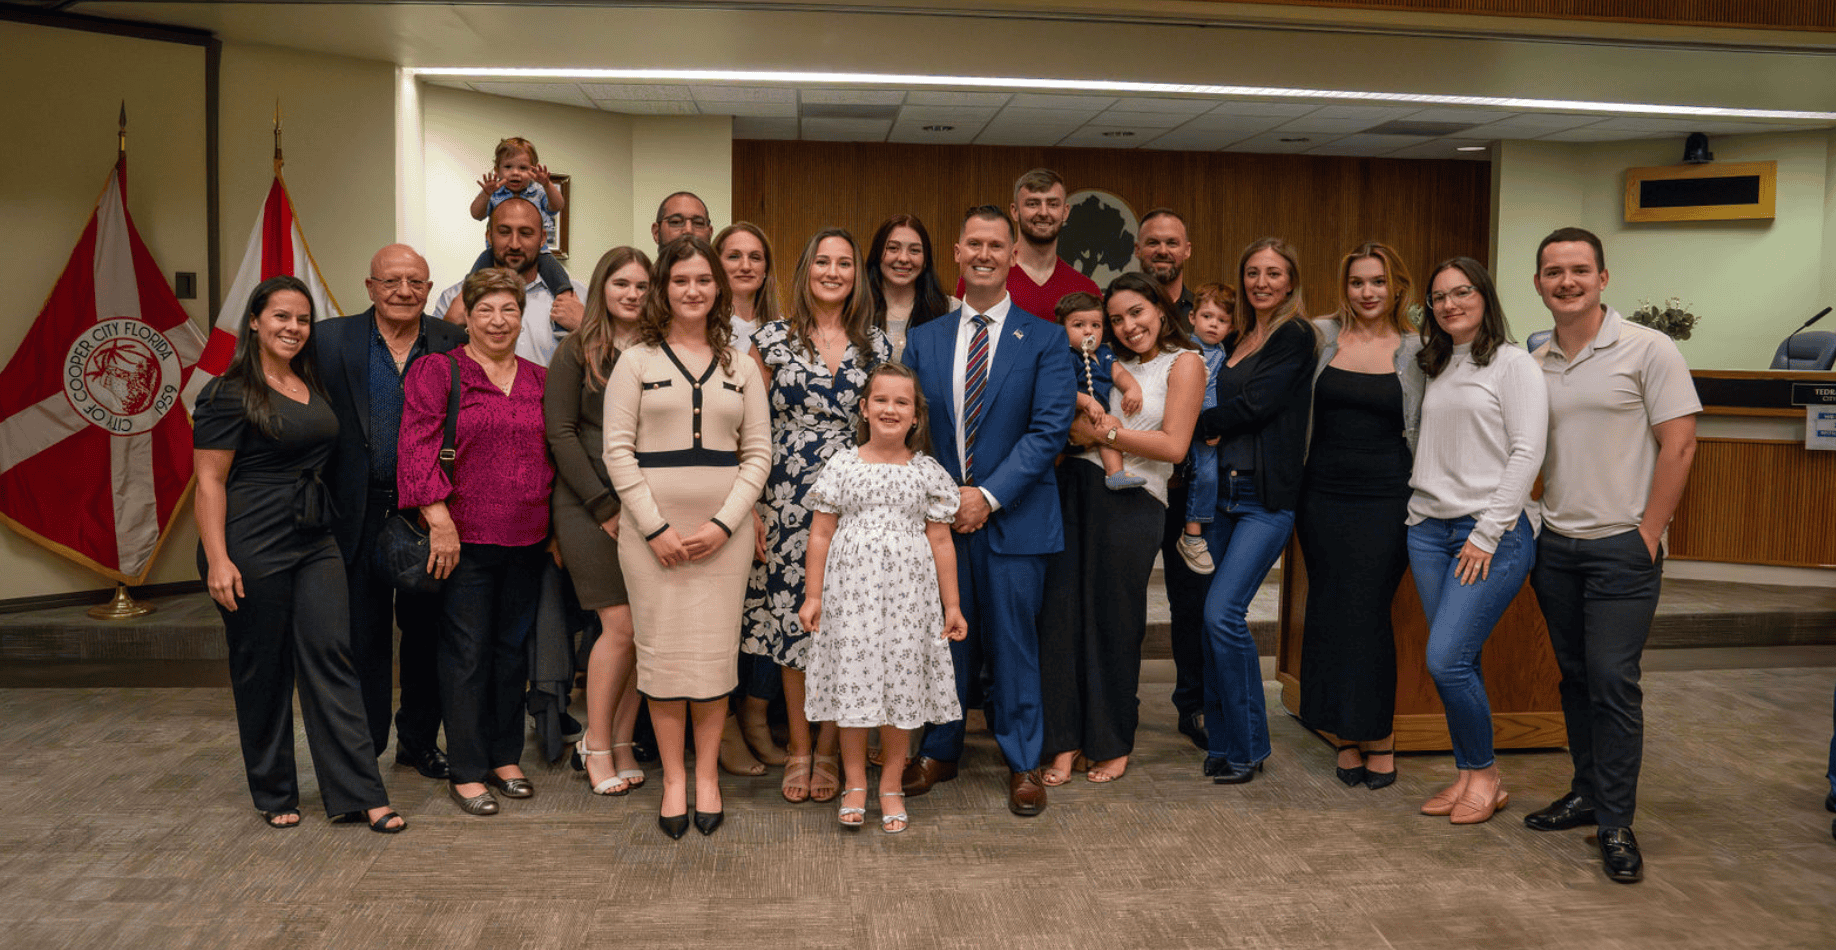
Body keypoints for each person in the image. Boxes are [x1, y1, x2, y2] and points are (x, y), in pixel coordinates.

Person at [193, 275, 404, 833]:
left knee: (334, 656)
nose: (293, 328)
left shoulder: (307, 382)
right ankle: (274, 789)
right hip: (250, 539)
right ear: (256, 322)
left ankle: (361, 792)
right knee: (263, 669)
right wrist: (218, 558)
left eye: (303, 319)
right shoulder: (226, 391)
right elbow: (209, 483)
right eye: (282, 317)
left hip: (314, 539)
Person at [1523, 227, 1700, 884]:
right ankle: (1587, 791)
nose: (1565, 281)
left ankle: (1617, 820)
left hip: (1624, 549)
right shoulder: (1535, 359)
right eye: (1552, 271)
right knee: (1573, 677)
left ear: (1603, 277)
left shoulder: (1649, 349)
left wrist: (1649, 532)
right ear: (1538, 282)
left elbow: (1680, 446)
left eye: (1578, 269)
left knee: (1612, 680)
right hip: (1558, 547)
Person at [901, 206, 1077, 817]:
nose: (984, 253)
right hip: (940, 523)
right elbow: (914, 429)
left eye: (995, 245)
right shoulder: (923, 339)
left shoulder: (1047, 339)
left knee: (1013, 646)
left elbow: (1049, 430)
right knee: (945, 640)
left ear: (1010, 257)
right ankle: (941, 749)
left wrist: (987, 496)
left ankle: (1022, 761)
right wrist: (946, 500)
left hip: (1015, 520)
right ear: (956, 251)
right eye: (973, 242)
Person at [603, 236, 771, 839]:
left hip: (721, 542)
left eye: (703, 280)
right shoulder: (636, 361)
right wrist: (655, 528)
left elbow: (758, 455)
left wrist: (725, 524)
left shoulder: (740, 364)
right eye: (680, 281)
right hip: (651, 541)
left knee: (712, 659)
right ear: (663, 290)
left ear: (717, 289)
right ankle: (674, 777)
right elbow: (617, 451)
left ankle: (707, 776)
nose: (693, 290)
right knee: (665, 659)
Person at [743, 227, 891, 804]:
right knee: (792, 625)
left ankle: (831, 750)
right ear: (805, 270)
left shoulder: (876, 345)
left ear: (857, 275)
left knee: (845, 625)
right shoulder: (770, 339)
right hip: (785, 500)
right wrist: (752, 502)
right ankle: (801, 748)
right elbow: (748, 429)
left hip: (857, 499)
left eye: (845, 264)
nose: (833, 272)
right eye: (822, 261)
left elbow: (890, 420)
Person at [400, 268, 554, 817]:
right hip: (460, 541)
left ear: (522, 315)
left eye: (508, 310)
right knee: (465, 653)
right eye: (485, 309)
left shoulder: (540, 378)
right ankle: (466, 768)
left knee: (512, 652)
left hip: (528, 536)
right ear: (466, 313)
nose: (497, 320)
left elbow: (555, 454)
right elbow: (415, 447)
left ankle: (504, 755)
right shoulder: (439, 372)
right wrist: (438, 517)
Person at [1039, 272, 1203, 786]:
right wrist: (1087, 429)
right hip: (1073, 491)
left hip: (1135, 501)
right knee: (1061, 618)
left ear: (1160, 309)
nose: (1128, 326)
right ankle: (1064, 741)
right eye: (1116, 319)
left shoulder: (1186, 363)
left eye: (1137, 312)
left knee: (1115, 619)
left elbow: (1174, 448)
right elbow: (1065, 428)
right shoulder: (1097, 363)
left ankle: (1111, 738)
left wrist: (1106, 431)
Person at [313, 244, 465, 783]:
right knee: (362, 636)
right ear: (370, 286)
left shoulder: (452, 342)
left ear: (429, 288)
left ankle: (419, 743)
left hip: (430, 513)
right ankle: (366, 746)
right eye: (392, 281)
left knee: (426, 635)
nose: (405, 291)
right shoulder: (329, 339)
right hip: (355, 511)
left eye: (417, 282)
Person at [798, 364, 969, 833]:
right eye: (881, 400)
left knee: (901, 689)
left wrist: (951, 606)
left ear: (915, 416)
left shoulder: (928, 472)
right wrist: (813, 597)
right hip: (851, 599)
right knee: (855, 687)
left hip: (909, 602)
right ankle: (855, 782)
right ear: (864, 408)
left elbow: (941, 542)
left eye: (902, 402)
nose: (890, 409)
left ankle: (890, 783)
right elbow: (820, 534)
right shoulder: (842, 465)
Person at [1406, 257, 1546, 822]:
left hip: (1490, 533)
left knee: (1445, 658)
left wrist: (1487, 533)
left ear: (1485, 296)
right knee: (1458, 659)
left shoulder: (1514, 365)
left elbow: (1526, 451)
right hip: (1428, 530)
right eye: (1439, 297)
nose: (1449, 304)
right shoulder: (1436, 363)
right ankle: (1469, 775)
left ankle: (1484, 773)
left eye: (1461, 292)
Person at [1294, 243, 1423, 791]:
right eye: (1357, 282)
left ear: (1396, 287)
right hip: (1321, 495)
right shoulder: (1320, 338)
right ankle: (1346, 734)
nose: (1367, 292)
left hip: (1388, 497)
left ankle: (1380, 734)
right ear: (1344, 287)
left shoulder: (1420, 349)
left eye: (1377, 282)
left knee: (1368, 612)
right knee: (1329, 608)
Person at [1193, 237, 1317, 786]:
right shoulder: (1241, 335)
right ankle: (1222, 742)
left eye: (1273, 273)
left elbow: (1258, 403)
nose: (1261, 282)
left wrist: (1191, 427)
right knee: (1207, 623)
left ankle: (1250, 743)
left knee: (1224, 614)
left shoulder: (1295, 335)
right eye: (1252, 273)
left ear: (1291, 281)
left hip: (1264, 499)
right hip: (1219, 497)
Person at [545, 246, 653, 797]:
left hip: (648, 506)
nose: (631, 294)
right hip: (589, 504)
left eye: (640, 285)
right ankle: (596, 740)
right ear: (601, 291)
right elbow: (560, 433)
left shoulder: (661, 352)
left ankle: (623, 741)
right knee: (621, 627)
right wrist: (603, 506)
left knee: (645, 632)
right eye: (620, 284)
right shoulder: (576, 352)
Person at [435, 197, 587, 365]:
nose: (515, 244)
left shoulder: (578, 297)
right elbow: (434, 370)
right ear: (489, 236)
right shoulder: (453, 299)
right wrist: (450, 327)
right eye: (504, 232)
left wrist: (585, 327)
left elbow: (607, 367)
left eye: (525, 233)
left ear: (542, 238)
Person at [952, 169, 1099, 320]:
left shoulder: (1086, 289)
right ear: (1015, 211)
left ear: (1065, 212)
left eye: (1053, 204)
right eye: (1032, 204)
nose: (1043, 212)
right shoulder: (980, 277)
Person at [466, 136, 575, 307]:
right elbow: (476, 213)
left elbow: (557, 205)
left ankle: (565, 305)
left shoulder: (538, 191)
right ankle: (468, 306)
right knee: (473, 278)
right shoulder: (495, 193)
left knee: (558, 276)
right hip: (495, 252)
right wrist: (485, 194)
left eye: (523, 168)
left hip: (539, 253)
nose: (515, 173)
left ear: (533, 170)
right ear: (497, 170)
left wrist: (547, 185)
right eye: (508, 167)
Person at [1175, 283, 1237, 575]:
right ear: (1192, 318)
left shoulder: (1221, 351)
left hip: (1212, 426)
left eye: (1222, 320)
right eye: (1207, 317)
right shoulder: (1187, 348)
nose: (1214, 324)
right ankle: (1192, 534)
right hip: (1194, 425)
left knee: (1210, 473)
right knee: (1207, 473)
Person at [1057, 292, 1147, 490]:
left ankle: (1115, 472)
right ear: (1062, 329)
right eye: (1079, 325)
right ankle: (1114, 472)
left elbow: (1119, 373)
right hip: (1069, 415)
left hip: (1094, 418)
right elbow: (1060, 388)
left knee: (1111, 427)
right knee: (1112, 424)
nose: (1088, 331)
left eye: (1095, 325)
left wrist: (1132, 388)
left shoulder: (1104, 352)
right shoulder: (1064, 355)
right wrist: (1087, 402)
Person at [865, 213, 954, 360]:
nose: (903, 259)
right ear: (877, 253)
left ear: (926, 260)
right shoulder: (853, 309)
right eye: (893, 248)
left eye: (915, 250)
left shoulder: (950, 310)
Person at [715, 222, 780, 354]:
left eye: (755, 258)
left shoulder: (783, 331)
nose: (745, 266)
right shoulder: (702, 328)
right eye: (734, 256)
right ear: (715, 265)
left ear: (765, 270)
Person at [1134, 208, 1196, 333]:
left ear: (1187, 250)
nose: (1162, 251)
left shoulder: (1205, 313)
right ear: (1137, 250)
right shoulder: (1117, 311)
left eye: (1172, 243)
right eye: (1153, 243)